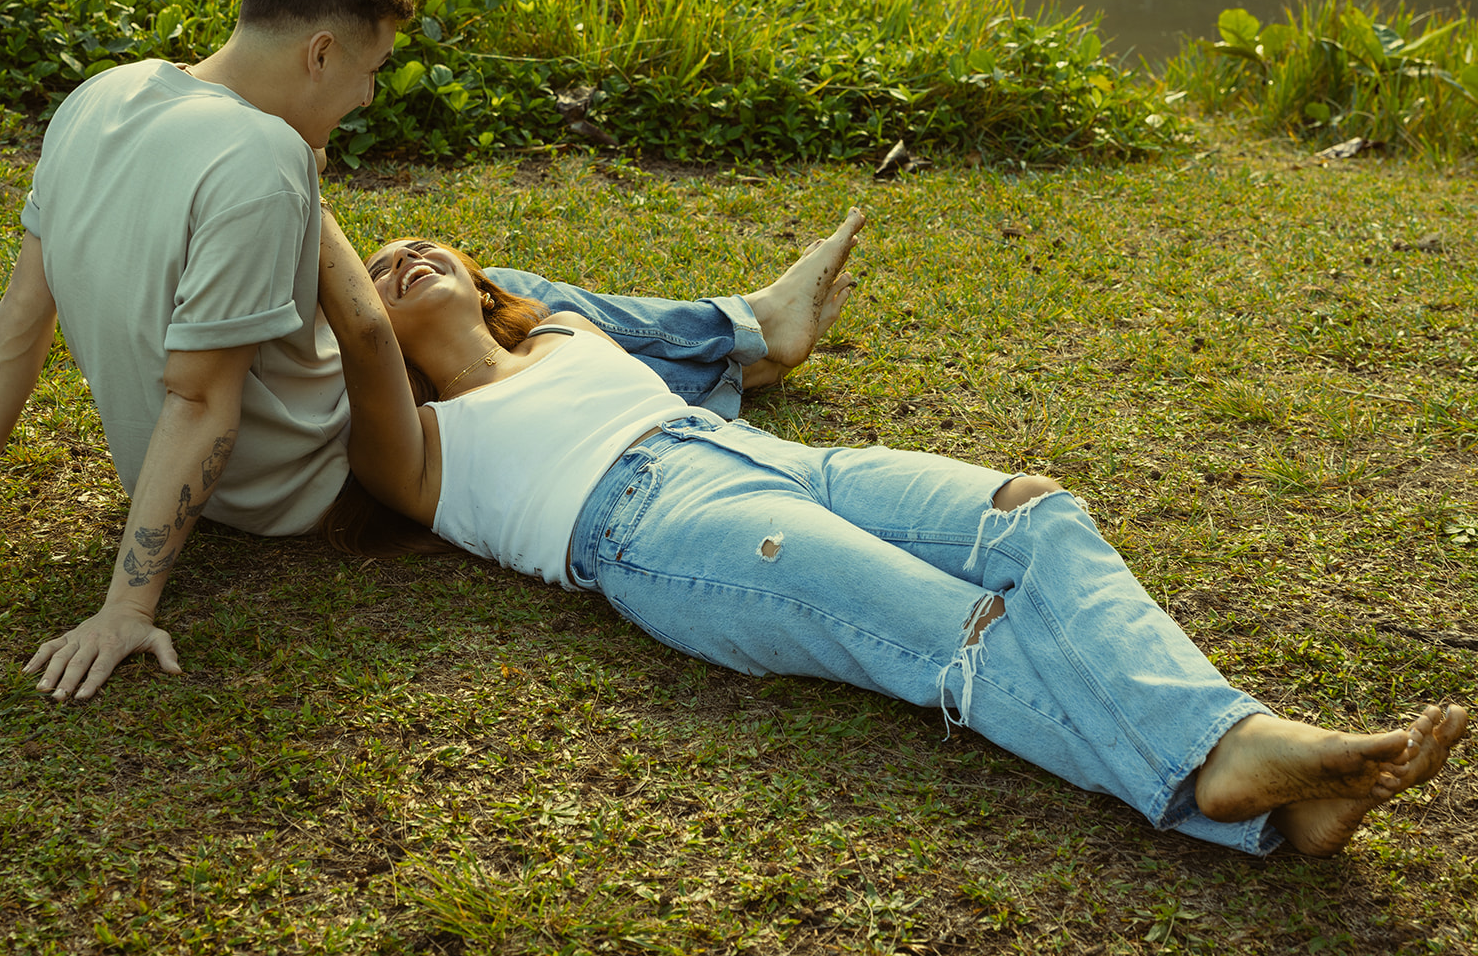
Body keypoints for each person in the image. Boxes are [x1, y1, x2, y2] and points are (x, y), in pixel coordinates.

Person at [310, 208, 1467, 861]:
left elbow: (713, 344)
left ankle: (1253, 765)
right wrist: (295, 171)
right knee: (958, 631)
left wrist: (766, 322)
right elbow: (357, 331)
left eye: (432, 241)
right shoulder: (411, 446)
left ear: (484, 275)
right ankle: (1235, 778)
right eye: (382, 261)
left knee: (1031, 508)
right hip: (661, 525)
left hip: (773, 461)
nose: (404, 255)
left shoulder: (565, 331)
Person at [0, 0, 856, 701]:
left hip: (221, 458)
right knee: (488, 296)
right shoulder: (261, 163)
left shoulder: (101, 95)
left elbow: (23, 306)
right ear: (317, 51)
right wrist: (124, 605)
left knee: (461, 282)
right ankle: (747, 336)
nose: (367, 94)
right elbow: (208, 397)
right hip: (308, 475)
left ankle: (748, 338)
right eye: (368, 70)